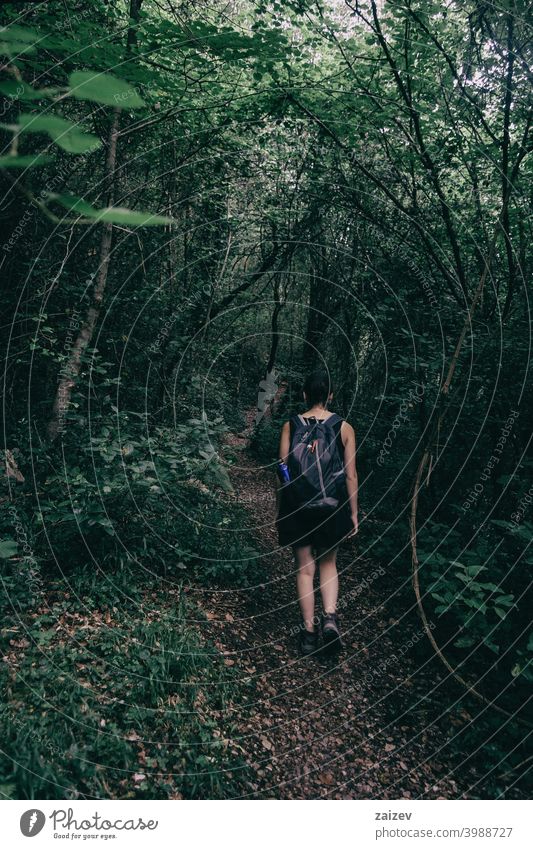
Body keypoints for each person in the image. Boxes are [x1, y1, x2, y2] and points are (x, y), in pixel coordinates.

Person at [275, 370, 358, 656]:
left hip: (298, 507)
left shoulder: (290, 425)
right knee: (328, 564)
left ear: (304, 395)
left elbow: (282, 468)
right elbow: (350, 475)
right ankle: (331, 620)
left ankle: (309, 633)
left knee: (305, 569)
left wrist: (284, 505)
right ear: (331, 395)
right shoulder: (344, 427)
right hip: (332, 507)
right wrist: (354, 513)